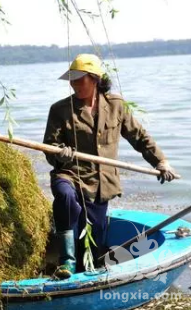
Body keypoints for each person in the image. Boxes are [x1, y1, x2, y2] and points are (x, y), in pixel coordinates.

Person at [43, 54, 177, 279]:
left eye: (79, 78)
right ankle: (66, 261)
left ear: (95, 78)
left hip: (101, 184)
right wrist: (60, 155)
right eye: (71, 79)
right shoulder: (60, 109)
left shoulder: (116, 106)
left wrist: (160, 161)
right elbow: (50, 146)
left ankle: (86, 276)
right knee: (66, 198)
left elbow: (139, 137)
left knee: (95, 245)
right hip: (70, 174)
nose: (73, 84)